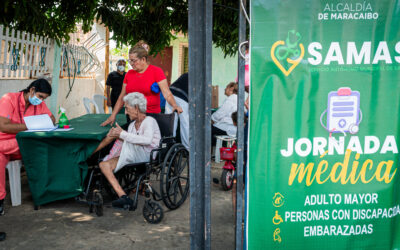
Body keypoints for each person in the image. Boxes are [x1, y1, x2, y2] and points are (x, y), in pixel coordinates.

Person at [95, 92, 161, 209]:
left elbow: (147, 141)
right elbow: (128, 140)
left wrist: (121, 134)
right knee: (103, 165)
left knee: (116, 135)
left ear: (136, 108)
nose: (125, 112)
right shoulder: (131, 125)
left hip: (147, 154)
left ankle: (90, 153)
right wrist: (120, 134)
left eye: (126, 108)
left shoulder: (149, 121)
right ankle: (123, 197)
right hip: (132, 154)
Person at [0, 79, 55, 215]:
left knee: (43, 148)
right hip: (8, 142)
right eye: (40, 97)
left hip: (24, 146)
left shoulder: (39, 105)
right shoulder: (9, 99)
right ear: (32, 90)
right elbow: (3, 126)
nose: (41, 101)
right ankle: (0, 200)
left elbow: (52, 119)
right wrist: (31, 126)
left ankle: (46, 191)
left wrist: (38, 124)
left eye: (44, 99)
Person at [101, 41, 182, 126]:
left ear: (143, 59)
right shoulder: (128, 74)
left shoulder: (156, 71)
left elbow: (167, 94)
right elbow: (122, 97)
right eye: (130, 61)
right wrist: (113, 115)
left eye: (134, 61)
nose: (131, 64)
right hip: (132, 116)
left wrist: (174, 105)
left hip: (151, 116)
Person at [165, 73, 189, 149]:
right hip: (182, 97)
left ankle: (169, 148)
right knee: (185, 123)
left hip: (170, 95)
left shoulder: (186, 74)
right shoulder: (198, 78)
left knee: (170, 122)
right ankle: (187, 148)